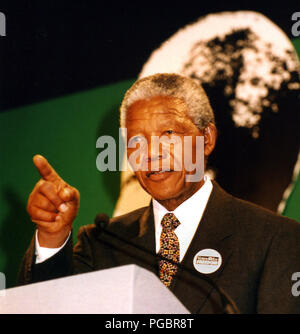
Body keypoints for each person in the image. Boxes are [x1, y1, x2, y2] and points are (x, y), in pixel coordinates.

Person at [18, 73, 300, 314]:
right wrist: (52, 236)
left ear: (207, 139)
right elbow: (48, 307)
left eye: (168, 134)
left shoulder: (275, 239)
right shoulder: (102, 244)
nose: (151, 154)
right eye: (136, 141)